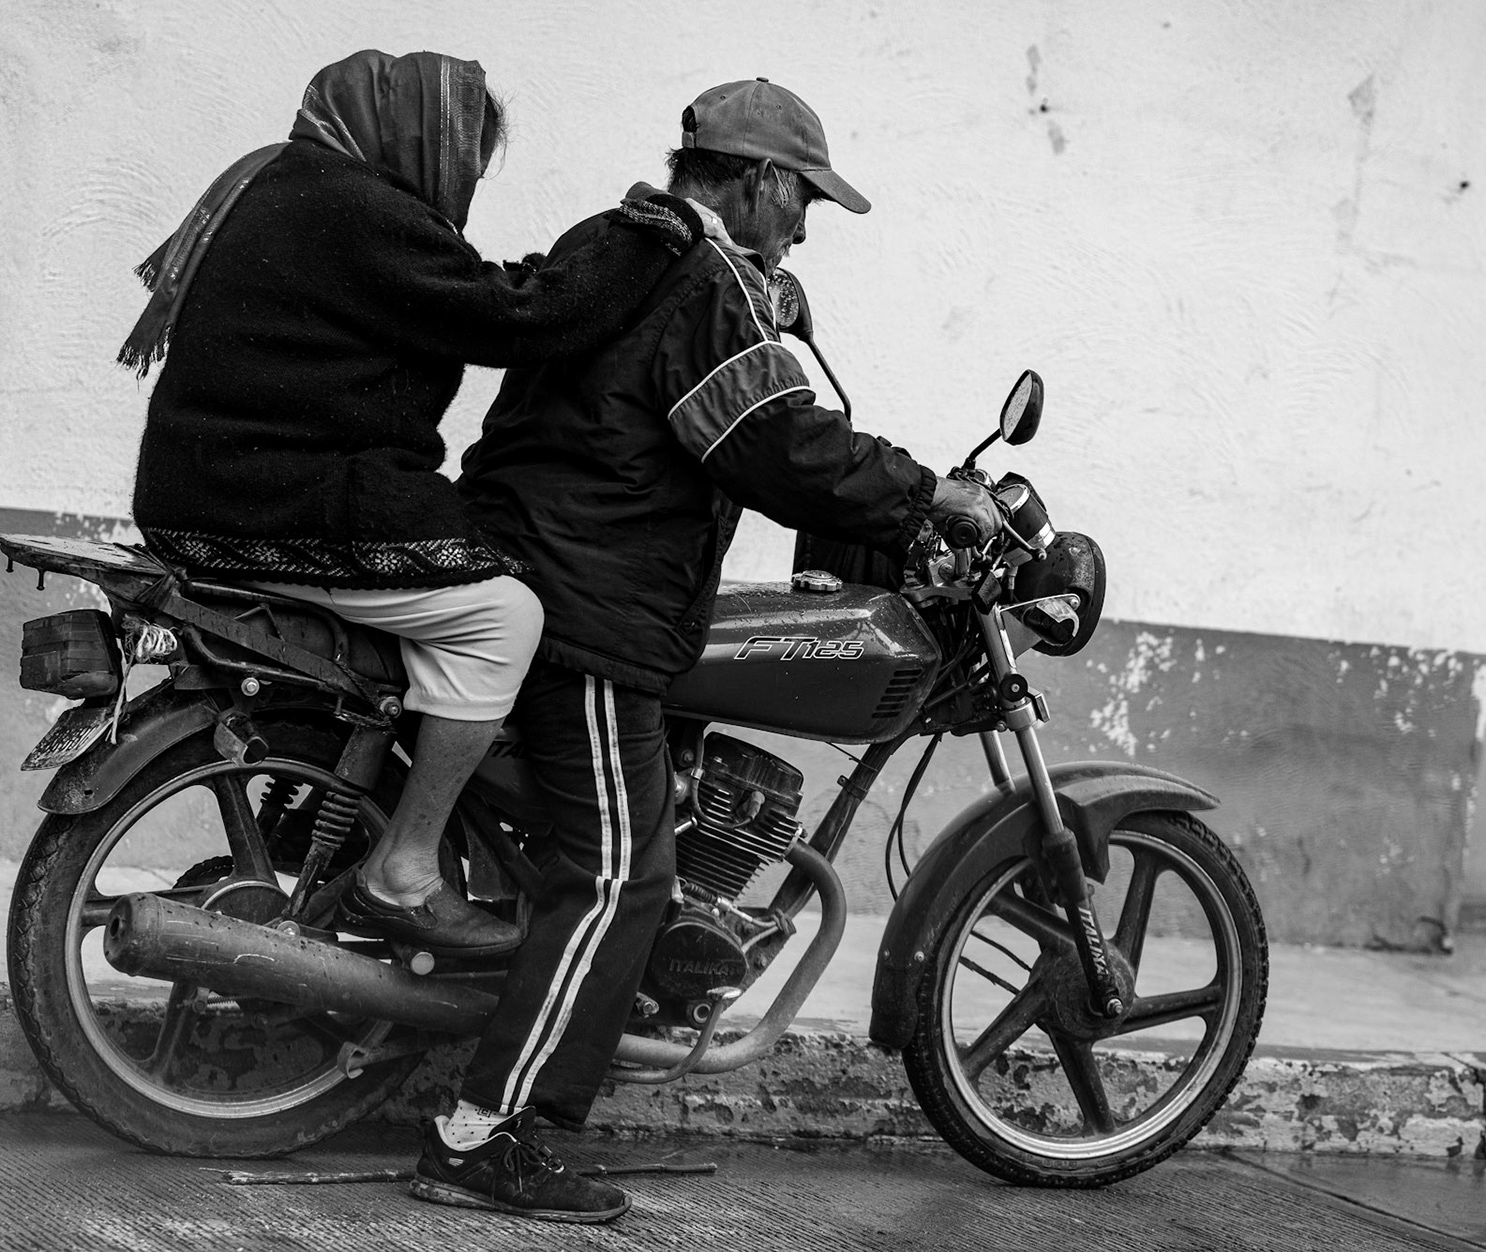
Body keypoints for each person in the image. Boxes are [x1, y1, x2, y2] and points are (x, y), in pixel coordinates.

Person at [427, 78, 1000, 1223]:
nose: (805, 229)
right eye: (805, 204)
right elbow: (780, 444)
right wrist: (934, 492)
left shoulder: (627, 243)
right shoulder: (708, 281)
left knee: (619, 859)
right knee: (617, 876)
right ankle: (485, 1134)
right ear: (763, 181)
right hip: (589, 602)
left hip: (553, 563)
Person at [123, 50, 707, 958]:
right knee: (505, 614)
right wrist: (651, 231)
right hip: (276, 499)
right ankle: (403, 873)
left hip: (220, 490)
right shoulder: (353, 207)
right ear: (417, 137)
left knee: (468, 553)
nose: (464, 179)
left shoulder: (297, 185)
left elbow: (476, 291)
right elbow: (518, 318)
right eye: (463, 156)